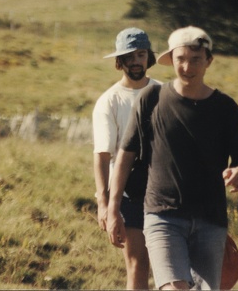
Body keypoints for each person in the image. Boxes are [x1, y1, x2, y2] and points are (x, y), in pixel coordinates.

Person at [107, 26, 238, 290]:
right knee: (174, 287)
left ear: (208, 61)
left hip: (210, 220)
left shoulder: (224, 107)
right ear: (171, 59)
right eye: (181, 59)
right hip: (162, 216)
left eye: (196, 59)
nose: (187, 66)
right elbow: (125, 155)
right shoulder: (151, 99)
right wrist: (112, 208)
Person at [92, 27, 162, 289]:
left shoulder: (164, 93)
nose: (135, 61)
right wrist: (105, 204)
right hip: (129, 192)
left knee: (173, 266)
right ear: (119, 61)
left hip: (165, 189)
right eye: (129, 56)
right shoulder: (109, 101)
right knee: (138, 264)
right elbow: (102, 155)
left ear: (148, 57)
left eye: (141, 54)